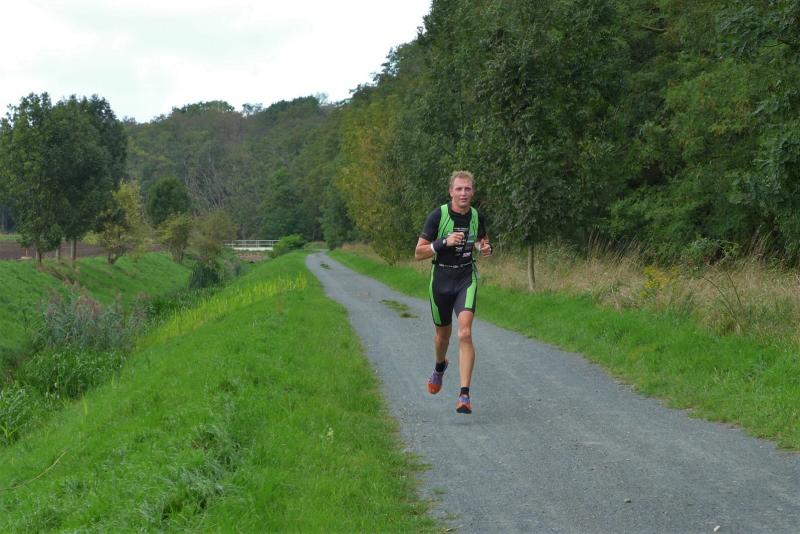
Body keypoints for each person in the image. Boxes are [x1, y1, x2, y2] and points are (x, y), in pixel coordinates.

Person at [414, 170, 492, 414]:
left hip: (465, 278)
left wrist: (484, 248)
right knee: (443, 336)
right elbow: (418, 252)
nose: (463, 193)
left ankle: (464, 395)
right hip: (441, 280)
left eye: (467, 189)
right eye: (459, 189)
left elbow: (481, 240)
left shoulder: (476, 216)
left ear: (473, 192)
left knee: (465, 333)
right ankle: (440, 366)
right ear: (451, 192)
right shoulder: (438, 215)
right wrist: (443, 243)